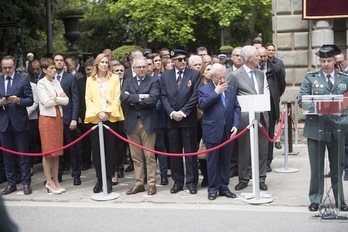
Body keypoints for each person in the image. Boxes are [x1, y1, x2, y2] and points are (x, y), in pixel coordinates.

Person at [298, 44, 348, 212]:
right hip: (315, 128)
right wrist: (317, 106)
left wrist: (344, 121)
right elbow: (301, 99)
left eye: (329, 60)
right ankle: (315, 199)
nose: (326, 64)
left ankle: (340, 199)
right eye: (322, 61)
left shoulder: (344, 79)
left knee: (337, 166)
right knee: (317, 167)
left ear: (335, 60)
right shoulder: (311, 78)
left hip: (337, 128)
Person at [228, 45, 270, 192]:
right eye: (257, 55)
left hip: (262, 116)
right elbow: (231, 98)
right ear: (250, 58)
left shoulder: (260, 74)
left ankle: (261, 178)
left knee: (262, 150)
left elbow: (265, 91)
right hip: (245, 120)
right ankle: (244, 178)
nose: (260, 57)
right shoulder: (235, 75)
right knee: (244, 150)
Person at [160, 49, 201, 194]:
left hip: (188, 119)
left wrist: (183, 112)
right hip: (172, 120)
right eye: (179, 59)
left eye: (185, 58)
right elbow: (163, 96)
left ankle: (192, 182)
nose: (183, 61)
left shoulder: (194, 74)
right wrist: (172, 113)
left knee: (190, 152)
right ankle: (178, 182)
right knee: (175, 153)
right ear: (173, 61)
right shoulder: (165, 76)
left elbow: (195, 95)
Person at [198, 63, 241, 200]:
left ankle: (224, 187)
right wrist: (216, 92)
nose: (222, 80)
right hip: (212, 130)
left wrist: (236, 124)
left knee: (225, 160)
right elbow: (203, 104)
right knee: (212, 161)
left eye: (224, 77)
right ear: (212, 77)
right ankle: (213, 189)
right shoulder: (204, 89)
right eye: (219, 78)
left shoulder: (231, 90)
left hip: (228, 130)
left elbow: (236, 108)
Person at [85, 53, 124, 194]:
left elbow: (117, 97)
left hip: (110, 119)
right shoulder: (90, 80)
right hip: (95, 119)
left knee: (110, 150)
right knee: (96, 151)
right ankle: (99, 179)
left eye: (106, 62)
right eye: (101, 62)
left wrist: (107, 112)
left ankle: (109, 178)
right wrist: (97, 113)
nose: (104, 64)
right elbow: (88, 99)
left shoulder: (114, 79)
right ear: (96, 64)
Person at [121, 56, 160, 195]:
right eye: (139, 67)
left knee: (149, 155)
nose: (142, 69)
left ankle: (151, 183)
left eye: (144, 66)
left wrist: (133, 99)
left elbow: (153, 99)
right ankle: (138, 183)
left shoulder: (154, 81)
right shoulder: (127, 81)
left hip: (147, 122)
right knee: (136, 156)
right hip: (131, 122)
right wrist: (142, 96)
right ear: (134, 68)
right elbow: (123, 98)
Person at [0, 55, 33, 195]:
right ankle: (11, 183)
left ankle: (26, 183)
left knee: (23, 154)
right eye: (4, 68)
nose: (7, 70)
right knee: (7, 156)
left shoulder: (23, 79)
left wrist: (18, 100)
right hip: (3, 123)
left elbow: (30, 100)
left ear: (14, 66)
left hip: (20, 122)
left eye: (9, 67)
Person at [37, 57, 69, 194]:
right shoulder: (41, 84)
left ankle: (56, 181)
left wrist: (54, 98)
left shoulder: (56, 82)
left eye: (54, 68)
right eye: (51, 68)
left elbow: (66, 100)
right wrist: (58, 98)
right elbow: (45, 102)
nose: (54, 70)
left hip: (57, 118)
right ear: (44, 70)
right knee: (48, 152)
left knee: (57, 152)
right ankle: (49, 182)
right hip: (47, 119)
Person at [53, 54, 81, 186]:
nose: (58, 63)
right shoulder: (48, 78)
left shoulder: (70, 78)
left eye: (60, 61)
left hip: (69, 117)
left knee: (73, 148)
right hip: (54, 117)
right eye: (56, 60)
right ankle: (56, 174)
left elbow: (76, 99)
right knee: (57, 148)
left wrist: (74, 118)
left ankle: (76, 175)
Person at [258, 47, 286, 172]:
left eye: (265, 56)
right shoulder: (253, 70)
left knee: (269, 134)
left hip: (270, 105)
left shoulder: (276, 69)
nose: (263, 58)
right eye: (261, 56)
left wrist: (274, 96)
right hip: (256, 105)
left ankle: (268, 161)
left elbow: (281, 86)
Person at [77, 58, 94, 171]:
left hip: (97, 115)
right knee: (85, 141)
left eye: (91, 69)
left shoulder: (99, 81)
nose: (89, 72)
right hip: (84, 115)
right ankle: (86, 161)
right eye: (87, 69)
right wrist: (78, 115)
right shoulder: (79, 82)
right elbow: (77, 99)